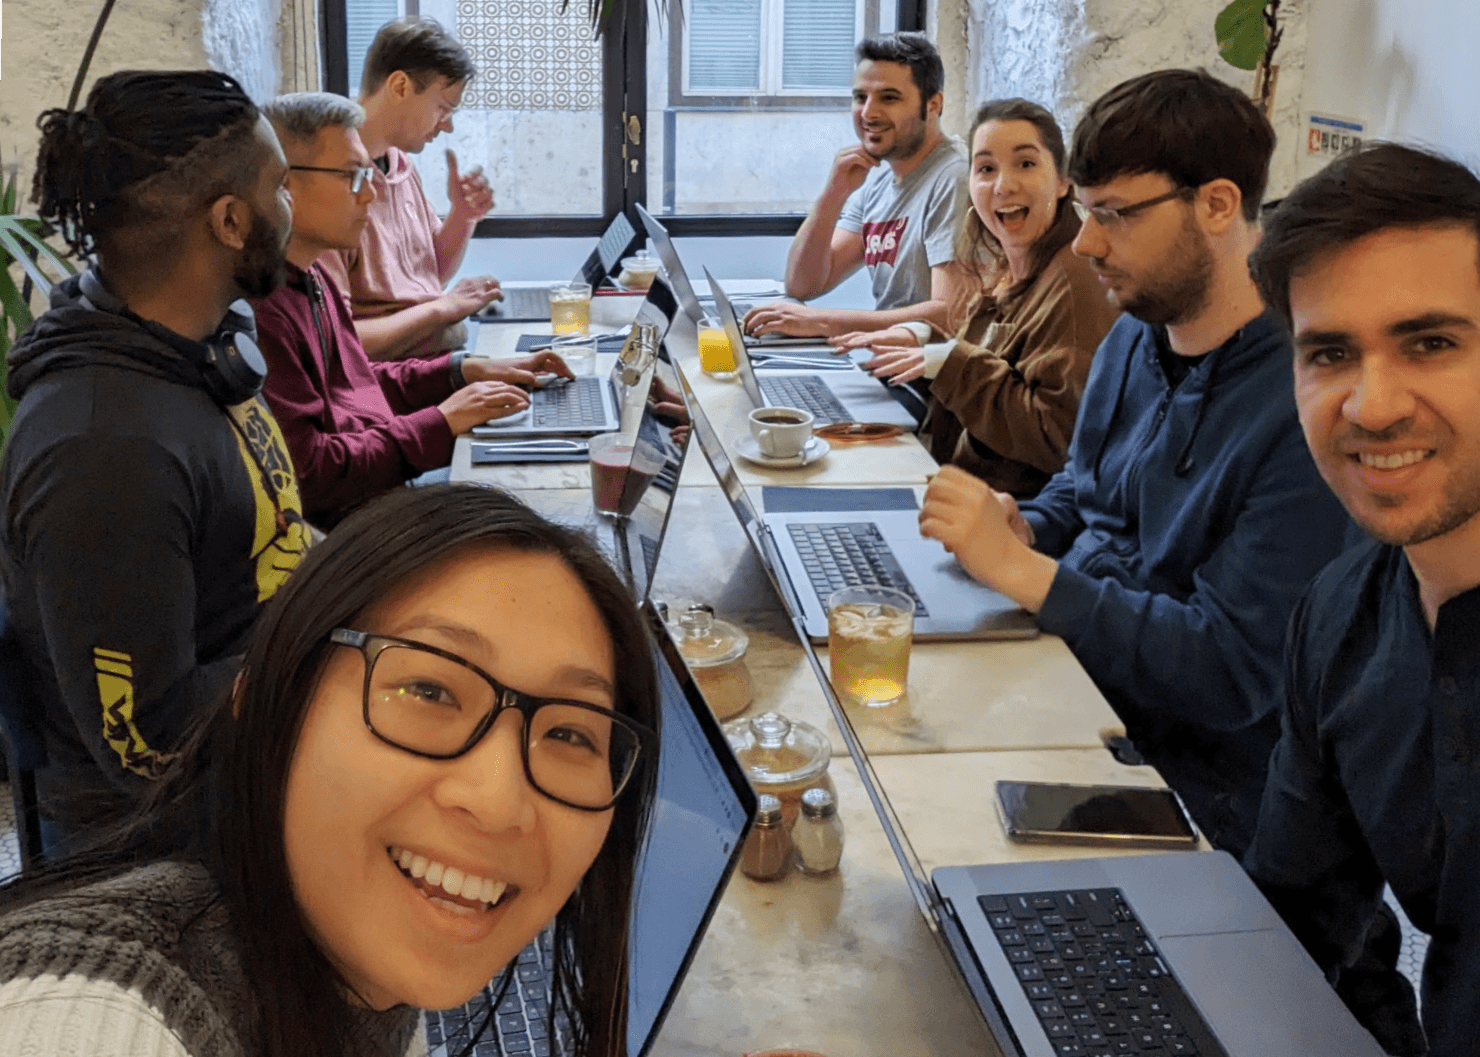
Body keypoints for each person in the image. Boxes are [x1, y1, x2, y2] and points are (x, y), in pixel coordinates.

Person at [0, 485, 661, 1057]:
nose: (497, 800)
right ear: (262, 699)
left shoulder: (356, 965)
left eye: (571, 731)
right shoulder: (96, 1009)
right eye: (429, 690)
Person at [917, 69, 1352, 858]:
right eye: (1087, 211)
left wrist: (1025, 573)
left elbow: (1229, 671)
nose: (1085, 243)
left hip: (1194, 795)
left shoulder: (1302, 408)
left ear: (1217, 205)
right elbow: (1083, 496)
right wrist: (1027, 524)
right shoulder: (1136, 334)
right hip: (1074, 688)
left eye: (1114, 214)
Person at [1, 70, 310, 840]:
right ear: (232, 220)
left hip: (273, 719)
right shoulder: (104, 454)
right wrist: (332, 641)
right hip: (171, 842)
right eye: (282, 186)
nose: (291, 206)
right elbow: (152, 742)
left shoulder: (200, 347)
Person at [1240, 142, 1480, 1057]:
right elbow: (1297, 930)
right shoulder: (1340, 618)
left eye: (1431, 342)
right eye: (1331, 353)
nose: (1372, 406)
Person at [253, 92, 574, 528]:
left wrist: (462, 371)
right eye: (352, 177)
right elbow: (311, 475)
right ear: (284, 184)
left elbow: (359, 380)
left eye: (369, 174)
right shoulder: (264, 313)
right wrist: (441, 423)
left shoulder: (313, 276)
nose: (369, 194)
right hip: (354, 532)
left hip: (385, 490)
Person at [831, 98, 1118, 496]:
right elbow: (999, 362)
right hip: (956, 490)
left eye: (1026, 164)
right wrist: (923, 340)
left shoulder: (1073, 285)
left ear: (1064, 181)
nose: (1003, 185)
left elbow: (1057, 439)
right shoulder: (1017, 263)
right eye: (985, 169)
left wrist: (948, 362)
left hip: (1006, 521)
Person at [742, 32, 966, 340]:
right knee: (714, 365)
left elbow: (949, 313)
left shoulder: (955, 178)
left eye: (889, 98)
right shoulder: (879, 186)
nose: (868, 113)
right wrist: (833, 194)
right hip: (889, 367)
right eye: (860, 97)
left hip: (931, 382)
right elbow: (803, 285)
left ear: (934, 105)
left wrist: (820, 322)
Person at [319, 16, 500, 360]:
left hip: (436, 355)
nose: (446, 125)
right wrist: (443, 310)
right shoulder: (330, 183)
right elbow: (337, 342)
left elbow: (431, 277)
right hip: (392, 378)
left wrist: (463, 218)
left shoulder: (399, 163)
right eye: (442, 108)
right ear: (400, 86)